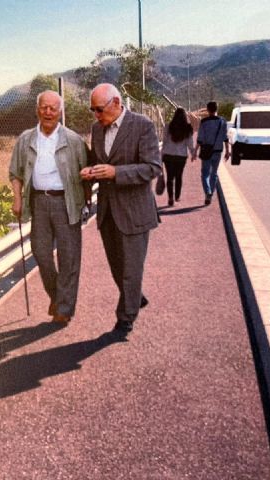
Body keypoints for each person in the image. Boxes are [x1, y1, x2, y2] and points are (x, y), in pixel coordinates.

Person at [80, 83, 161, 335]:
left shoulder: (142, 125)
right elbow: (99, 161)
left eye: (99, 109)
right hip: (107, 212)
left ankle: (125, 318)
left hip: (134, 211)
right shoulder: (97, 128)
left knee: (131, 267)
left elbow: (152, 168)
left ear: (116, 103)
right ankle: (135, 296)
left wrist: (117, 173)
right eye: (92, 110)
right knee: (117, 266)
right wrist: (90, 171)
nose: (96, 115)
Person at [9, 90, 88, 325]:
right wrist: (17, 198)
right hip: (38, 202)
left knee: (69, 257)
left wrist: (83, 200)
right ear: (37, 110)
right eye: (44, 107)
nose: (48, 112)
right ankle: (57, 295)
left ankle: (63, 309)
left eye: (53, 108)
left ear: (60, 111)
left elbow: (87, 172)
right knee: (41, 253)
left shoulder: (73, 140)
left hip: (66, 202)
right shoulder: (25, 139)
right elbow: (15, 172)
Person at [193, 101, 230, 205]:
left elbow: (200, 139)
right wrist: (228, 151)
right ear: (216, 109)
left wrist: (195, 151)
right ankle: (211, 194)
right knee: (214, 173)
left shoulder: (204, 122)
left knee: (205, 173)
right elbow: (225, 138)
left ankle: (208, 192)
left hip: (206, 151)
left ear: (207, 110)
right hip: (218, 151)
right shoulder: (223, 122)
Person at [161, 107, 195, 206]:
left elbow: (164, 141)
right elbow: (190, 143)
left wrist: (161, 154)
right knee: (179, 176)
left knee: (170, 177)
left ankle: (170, 197)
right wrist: (193, 153)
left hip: (168, 155)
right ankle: (177, 196)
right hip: (181, 156)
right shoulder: (188, 127)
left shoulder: (168, 126)